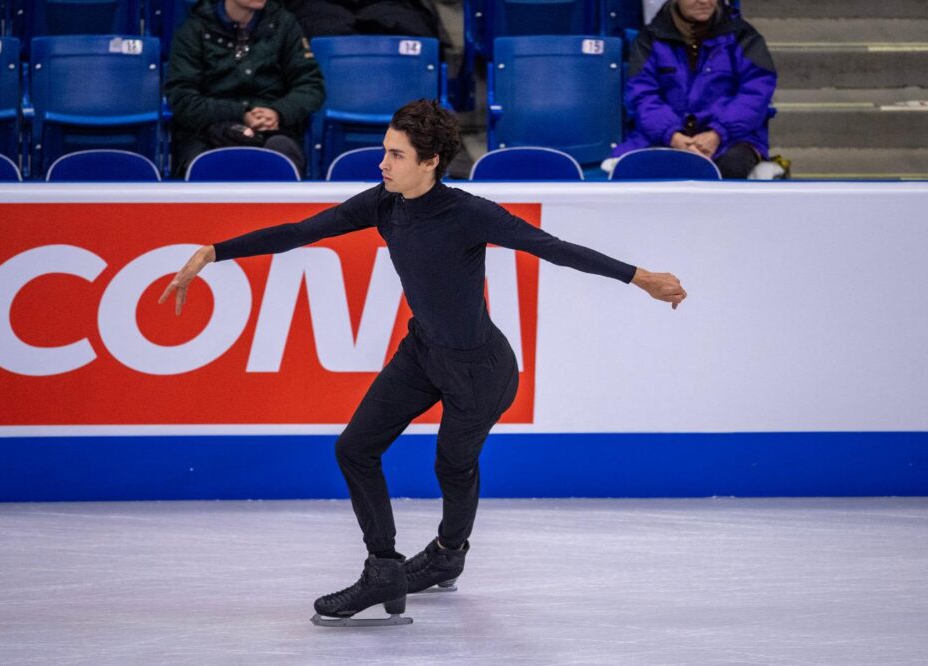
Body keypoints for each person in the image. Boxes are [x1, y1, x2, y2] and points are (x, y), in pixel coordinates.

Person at [159, 99, 687, 626]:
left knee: (451, 465)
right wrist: (213, 252)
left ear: (430, 161)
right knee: (354, 448)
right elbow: (303, 230)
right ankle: (383, 568)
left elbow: (550, 247)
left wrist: (640, 278)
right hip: (422, 352)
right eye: (385, 151)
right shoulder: (383, 203)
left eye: (396, 154)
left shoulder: (469, 213)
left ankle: (448, 554)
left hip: (479, 369)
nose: (383, 163)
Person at [613, 0, 777, 179]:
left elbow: (756, 92)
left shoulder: (743, 35)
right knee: (650, 169)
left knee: (729, 167)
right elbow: (642, 95)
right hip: (663, 137)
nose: (705, 1)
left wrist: (718, 133)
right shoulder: (649, 38)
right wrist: (672, 135)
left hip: (733, 139)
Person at [165, 0, 326, 177]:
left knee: (282, 153)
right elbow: (181, 97)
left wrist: (278, 112)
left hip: (272, 130)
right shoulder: (194, 28)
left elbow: (311, 85)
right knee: (205, 164)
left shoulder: (284, 23)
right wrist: (240, 114)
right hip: (208, 131)